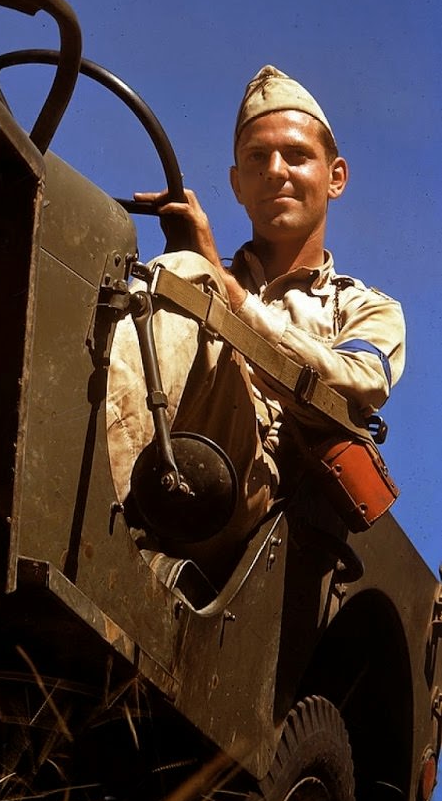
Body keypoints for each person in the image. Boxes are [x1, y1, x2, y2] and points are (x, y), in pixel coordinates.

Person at [105, 66, 405, 567]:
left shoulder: (365, 308)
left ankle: (98, 522)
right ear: (237, 184)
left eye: (297, 155)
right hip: (168, 450)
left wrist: (223, 297)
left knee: (185, 276)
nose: (275, 170)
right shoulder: (211, 276)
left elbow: (359, 382)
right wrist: (188, 278)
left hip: (256, 495)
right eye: (256, 158)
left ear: (336, 178)